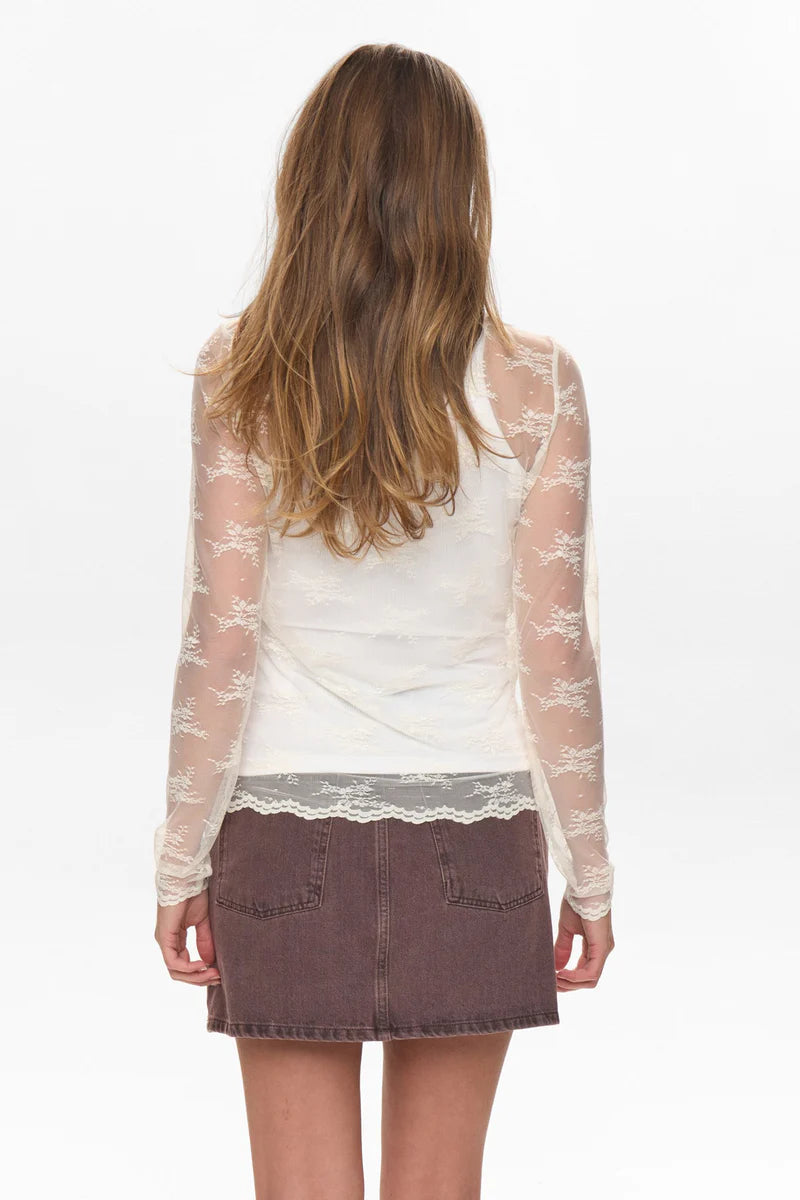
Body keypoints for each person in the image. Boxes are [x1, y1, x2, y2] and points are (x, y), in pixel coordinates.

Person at [153, 41, 614, 1200]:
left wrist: (179, 858)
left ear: (307, 182)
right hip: (476, 829)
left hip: (279, 825)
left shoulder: (241, 372)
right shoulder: (535, 384)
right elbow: (553, 649)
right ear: (461, 191)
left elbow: (222, 635)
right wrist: (590, 873)